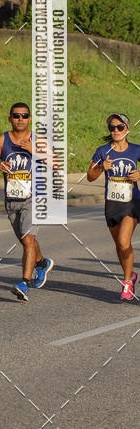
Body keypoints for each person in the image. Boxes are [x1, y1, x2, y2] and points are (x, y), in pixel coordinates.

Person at [0, 102, 53, 301]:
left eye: (24, 115)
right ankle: (42, 263)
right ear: (10, 118)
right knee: (25, 240)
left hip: (34, 197)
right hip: (12, 199)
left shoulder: (37, 140)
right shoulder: (2, 140)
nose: (20, 119)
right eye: (16, 115)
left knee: (28, 238)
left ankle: (24, 282)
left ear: (29, 118)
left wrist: (34, 150)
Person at [87, 113, 140, 300]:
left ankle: (126, 282)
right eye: (112, 128)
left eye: (119, 127)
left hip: (132, 203)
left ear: (127, 128)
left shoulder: (135, 150)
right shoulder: (102, 151)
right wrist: (102, 167)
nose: (115, 131)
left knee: (125, 242)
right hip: (112, 204)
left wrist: (139, 174)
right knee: (119, 244)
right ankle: (131, 275)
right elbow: (90, 176)